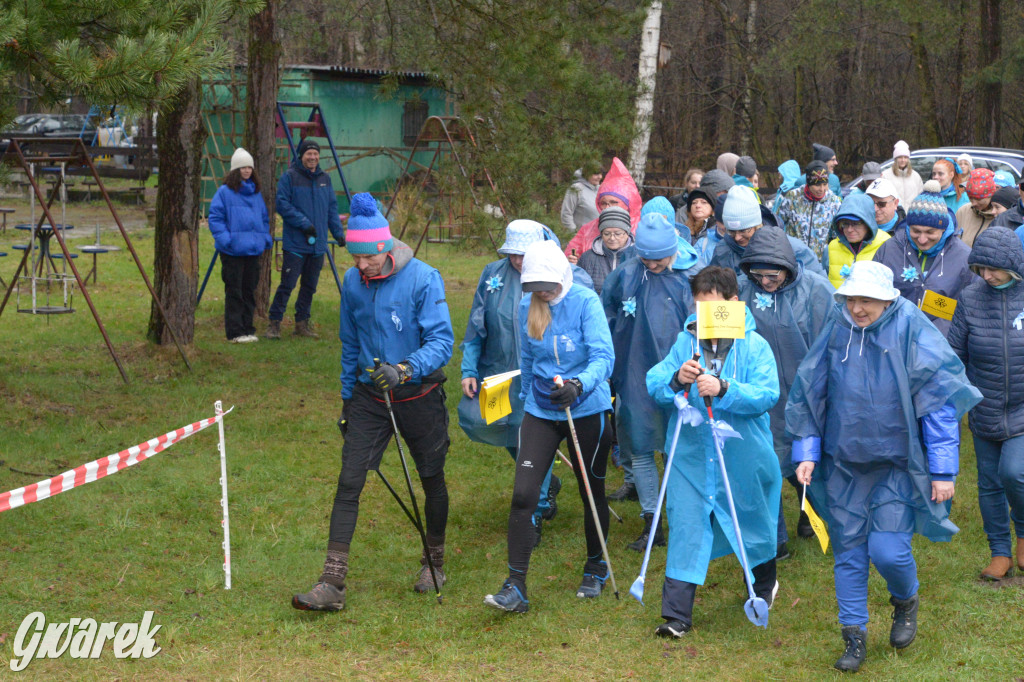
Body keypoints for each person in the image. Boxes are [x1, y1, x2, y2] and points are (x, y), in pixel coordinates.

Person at [787, 260, 981, 673]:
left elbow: (939, 400)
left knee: (889, 551)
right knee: (849, 553)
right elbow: (811, 389)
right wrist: (806, 451)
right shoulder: (838, 327)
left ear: (887, 299)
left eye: (867, 301)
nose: (858, 308)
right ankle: (853, 636)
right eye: (852, 299)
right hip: (844, 465)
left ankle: (905, 599)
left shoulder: (909, 327)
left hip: (896, 464)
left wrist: (943, 470)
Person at [291, 193, 454, 611]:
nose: (360, 266)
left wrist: (405, 367)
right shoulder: (352, 282)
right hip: (369, 397)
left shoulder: (423, 278)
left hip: (417, 393)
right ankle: (332, 582)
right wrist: (347, 400)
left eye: (367, 258)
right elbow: (350, 342)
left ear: (385, 247)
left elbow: (442, 342)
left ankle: (433, 561)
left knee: (431, 476)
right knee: (349, 480)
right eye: (354, 257)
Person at [646, 266, 781, 638]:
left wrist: (725, 388)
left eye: (714, 307)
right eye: (699, 306)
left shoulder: (755, 345)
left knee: (752, 518)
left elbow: (767, 394)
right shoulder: (684, 342)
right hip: (691, 454)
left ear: (734, 304)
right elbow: (655, 383)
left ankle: (764, 583)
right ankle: (676, 616)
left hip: (743, 453)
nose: (705, 315)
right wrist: (676, 380)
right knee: (687, 522)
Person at [483, 240, 614, 613]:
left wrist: (579, 385)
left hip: (585, 406)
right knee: (523, 494)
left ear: (562, 275)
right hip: (542, 409)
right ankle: (516, 585)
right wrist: (530, 398)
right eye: (534, 285)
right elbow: (528, 357)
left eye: (547, 284)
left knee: (592, 491)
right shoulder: (528, 305)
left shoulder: (586, 302)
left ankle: (596, 566)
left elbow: (604, 356)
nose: (542, 292)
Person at [458, 220, 564, 547]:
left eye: (524, 254)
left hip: (537, 375)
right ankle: (545, 481)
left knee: (534, 442)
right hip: (498, 372)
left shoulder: (552, 274)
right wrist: (468, 368)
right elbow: (477, 325)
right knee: (503, 431)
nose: (518, 261)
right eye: (513, 254)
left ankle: (536, 509)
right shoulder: (493, 274)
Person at [602, 213, 697, 551]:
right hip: (635, 371)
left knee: (683, 450)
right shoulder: (625, 276)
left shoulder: (693, 277)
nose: (653, 265)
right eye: (647, 259)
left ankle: (690, 518)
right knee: (640, 447)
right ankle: (651, 521)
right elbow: (606, 319)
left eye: (660, 259)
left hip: (684, 375)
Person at [739, 225, 834, 559]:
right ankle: (775, 539)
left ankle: (812, 514)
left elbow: (832, 344)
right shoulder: (743, 292)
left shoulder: (817, 291)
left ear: (788, 265)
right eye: (758, 274)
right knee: (766, 466)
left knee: (803, 461)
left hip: (805, 393)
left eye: (773, 274)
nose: (766, 281)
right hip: (762, 395)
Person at [948, 227, 1024, 581]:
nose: (987, 276)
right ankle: (999, 552)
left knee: (1014, 472)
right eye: (981, 268)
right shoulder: (970, 298)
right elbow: (955, 354)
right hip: (985, 406)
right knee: (990, 482)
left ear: (1013, 265)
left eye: (994, 269)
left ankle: (1022, 532)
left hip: (1023, 409)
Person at [873, 180, 977, 337]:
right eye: (915, 231)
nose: (922, 239)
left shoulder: (963, 257)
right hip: (894, 338)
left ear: (943, 229)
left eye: (930, 232)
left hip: (942, 344)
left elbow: (972, 307)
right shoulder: (889, 249)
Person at [268, 138, 346, 339]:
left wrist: (338, 233)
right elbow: (282, 204)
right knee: (288, 284)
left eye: (315, 154)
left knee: (309, 287)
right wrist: (304, 224)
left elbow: (331, 209)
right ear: (301, 156)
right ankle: (274, 324)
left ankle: (302, 324)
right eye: (308, 154)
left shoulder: (325, 179)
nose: (312, 157)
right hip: (296, 243)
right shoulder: (290, 178)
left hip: (317, 246)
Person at [206, 147, 272, 343]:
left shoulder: (256, 193)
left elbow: (263, 218)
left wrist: (264, 239)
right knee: (234, 292)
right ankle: (235, 332)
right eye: (243, 167)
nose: (247, 171)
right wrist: (228, 241)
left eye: (249, 167)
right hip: (232, 252)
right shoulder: (224, 193)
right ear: (236, 170)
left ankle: (248, 329)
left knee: (249, 291)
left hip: (252, 251)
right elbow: (215, 219)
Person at [712, 184, 826, 278]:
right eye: (731, 231)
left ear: (758, 224)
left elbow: (819, 289)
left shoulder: (793, 249)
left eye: (743, 230)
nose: (737, 237)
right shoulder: (722, 250)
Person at [565, 157, 642, 262]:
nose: (607, 207)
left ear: (628, 203)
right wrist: (573, 259)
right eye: (603, 203)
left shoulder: (642, 228)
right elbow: (572, 252)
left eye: (614, 202)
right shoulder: (588, 229)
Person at [774, 161, 843, 260]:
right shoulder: (793, 197)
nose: (822, 189)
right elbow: (778, 223)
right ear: (808, 183)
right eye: (817, 185)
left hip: (819, 262)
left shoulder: (834, 202)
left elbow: (836, 235)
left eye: (825, 184)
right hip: (794, 258)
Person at [823, 193, 890, 288]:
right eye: (845, 224)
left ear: (868, 223)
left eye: (856, 223)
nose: (849, 229)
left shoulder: (886, 245)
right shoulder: (831, 248)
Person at [576, 207, 636, 294]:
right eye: (606, 234)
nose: (612, 238)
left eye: (617, 234)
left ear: (627, 233)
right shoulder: (587, 258)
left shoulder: (638, 257)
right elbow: (581, 291)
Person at [957, 168, 999, 248]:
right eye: (970, 197)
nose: (973, 203)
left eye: (978, 199)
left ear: (991, 195)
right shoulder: (963, 211)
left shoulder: (1000, 215)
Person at [560, 165, 603, 232]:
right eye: (596, 174)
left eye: (600, 174)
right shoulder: (576, 189)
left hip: (599, 238)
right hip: (581, 238)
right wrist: (575, 234)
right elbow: (566, 214)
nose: (600, 177)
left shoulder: (601, 189)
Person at [882, 140, 923, 207]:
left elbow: (921, 197)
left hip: (911, 215)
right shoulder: (885, 176)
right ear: (895, 159)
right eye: (900, 157)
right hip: (894, 215)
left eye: (905, 157)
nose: (903, 160)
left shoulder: (916, 176)